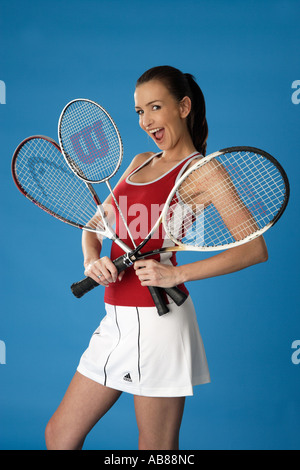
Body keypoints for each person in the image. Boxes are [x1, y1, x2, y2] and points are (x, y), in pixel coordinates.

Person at [45, 66, 268, 450]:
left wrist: (172, 275)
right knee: (60, 437)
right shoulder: (141, 161)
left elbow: (254, 249)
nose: (146, 120)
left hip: (159, 322)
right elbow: (94, 225)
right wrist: (90, 260)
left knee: (156, 450)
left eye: (155, 107)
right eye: (139, 112)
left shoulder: (203, 171)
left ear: (184, 107)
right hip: (114, 320)